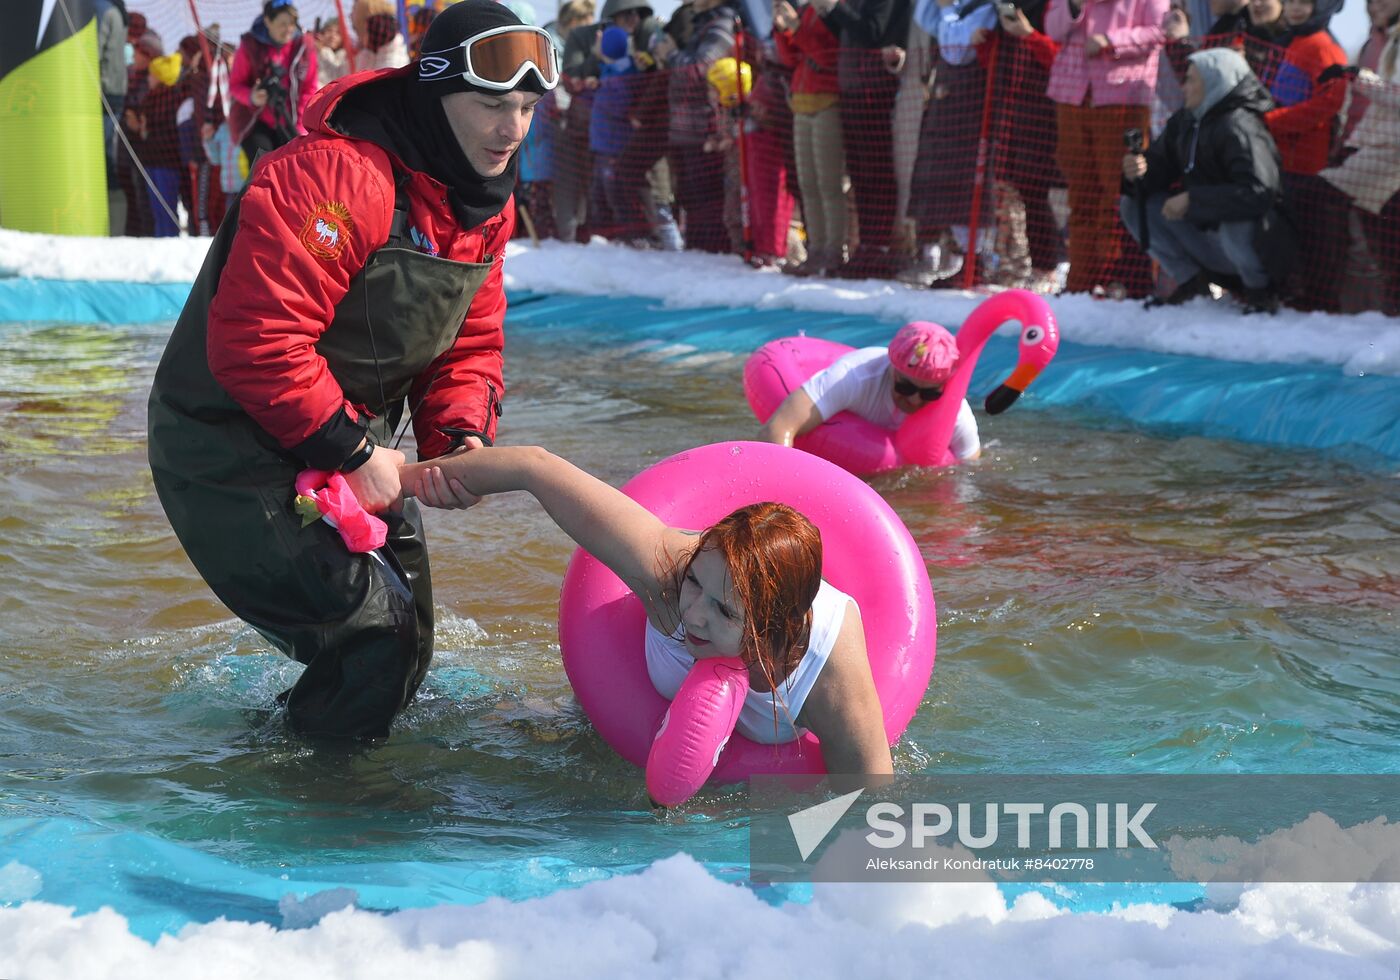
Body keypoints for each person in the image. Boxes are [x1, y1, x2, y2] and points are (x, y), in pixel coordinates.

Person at [147, 0, 559, 739]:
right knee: (371, 636)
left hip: (343, 442)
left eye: (528, 107)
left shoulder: (480, 201)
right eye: (494, 105)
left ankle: (303, 751)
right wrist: (357, 451)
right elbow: (257, 342)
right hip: (227, 445)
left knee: (410, 641)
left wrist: (459, 437)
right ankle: (311, 816)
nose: (514, 129)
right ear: (435, 92)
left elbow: (470, 344)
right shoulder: (337, 177)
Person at [400, 448, 895, 773]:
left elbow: (870, 815)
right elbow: (536, 469)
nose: (695, 615)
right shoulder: (666, 571)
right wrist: (395, 481)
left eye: (724, 611)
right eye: (696, 585)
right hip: (624, 716)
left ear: (772, 628)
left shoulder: (826, 673)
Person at [1120, 47, 1293, 311]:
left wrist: (1193, 200)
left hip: (1260, 248)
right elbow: (1159, 166)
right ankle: (1192, 285)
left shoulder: (1240, 125)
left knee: (1237, 220)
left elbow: (1259, 192)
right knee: (1134, 204)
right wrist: (1138, 170)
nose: (1184, 86)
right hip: (1210, 239)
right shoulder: (1186, 121)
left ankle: (1261, 294)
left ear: (1215, 81)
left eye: (1191, 79)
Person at [757, 321, 981, 462]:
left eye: (929, 393)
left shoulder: (956, 411)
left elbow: (970, 467)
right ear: (891, 367)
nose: (914, 399)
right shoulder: (854, 375)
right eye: (906, 386)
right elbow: (779, 428)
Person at [228, 0, 319, 164]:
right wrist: (252, 96)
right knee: (264, 165)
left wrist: (301, 124)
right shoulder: (250, 45)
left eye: (291, 23)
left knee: (293, 167)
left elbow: (309, 88)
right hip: (256, 121)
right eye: (282, 24)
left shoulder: (304, 47)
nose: (288, 29)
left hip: (292, 120)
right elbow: (235, 85)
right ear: (268, 22)